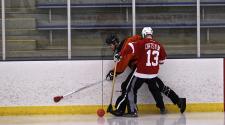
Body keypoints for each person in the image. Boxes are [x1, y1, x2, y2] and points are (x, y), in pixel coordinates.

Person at [115, 27, 186, 117]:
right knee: (158, 88)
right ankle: (169, 105)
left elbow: (130, 47)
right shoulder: (159, 45)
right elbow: (162, 61)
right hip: (152, 73)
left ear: (144, 34)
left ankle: (133, 111)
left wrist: (119, 54)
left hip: (141, 72)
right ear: (151, 34)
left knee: (130, 89)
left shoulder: (141, 43)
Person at [105, 34, 142, 116]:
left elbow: (122, 65)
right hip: (140, 68)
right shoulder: (122, 47)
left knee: (127, 87)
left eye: (110, 45)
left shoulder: (125, 46)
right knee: (126, 86)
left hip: (140, 68)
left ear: (115, 43)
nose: (109, 47)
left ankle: (126, 110)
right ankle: (129, 109)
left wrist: (113, 72)